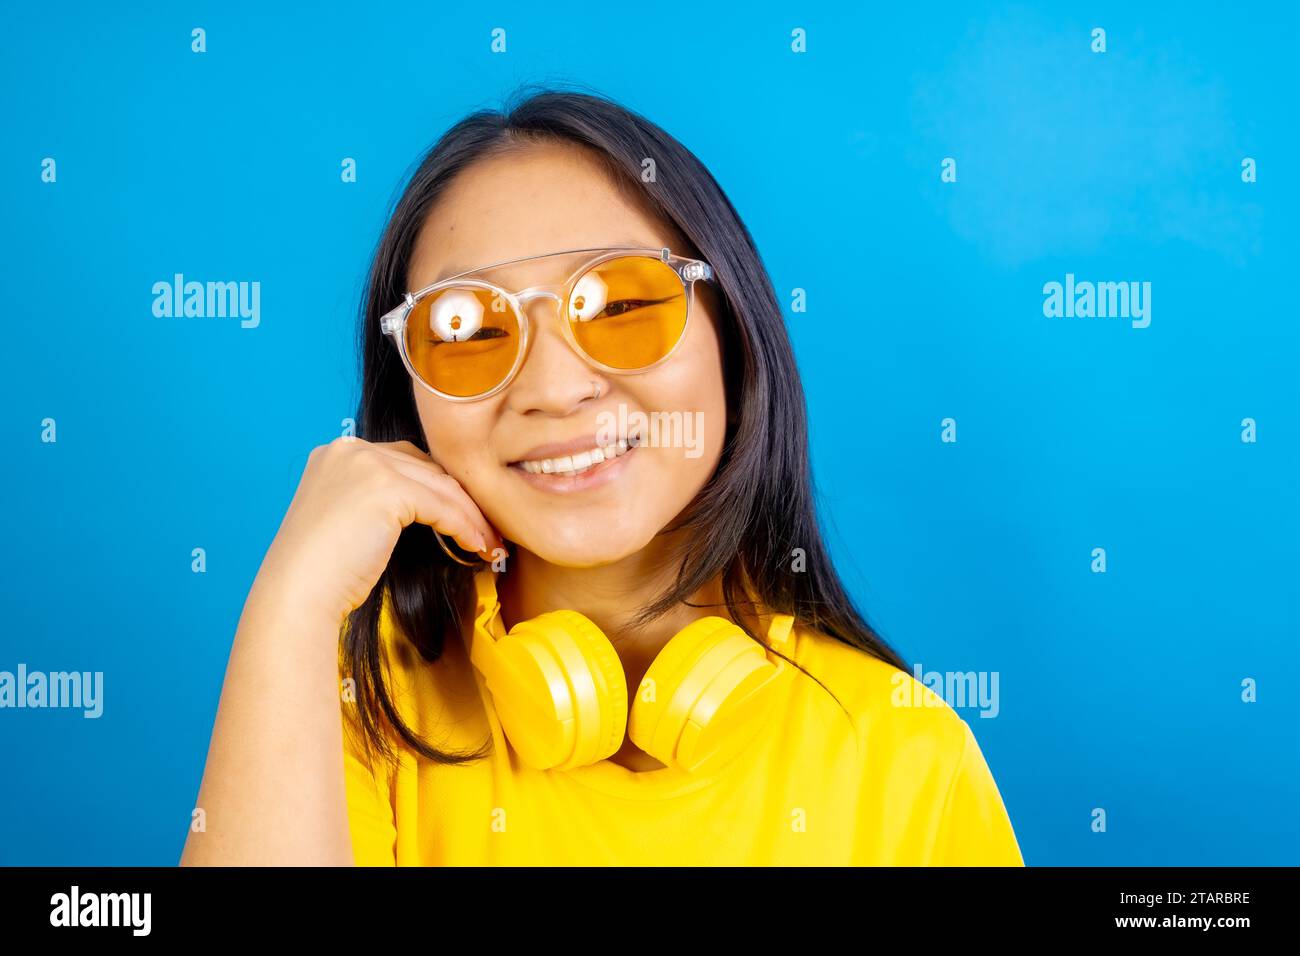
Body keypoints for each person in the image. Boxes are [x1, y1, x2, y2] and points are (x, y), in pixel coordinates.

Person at [181, 85, 1024, 867]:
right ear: (412, 397)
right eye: (469, 329)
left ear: (732, 333)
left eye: (621, 305)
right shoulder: (352, 708)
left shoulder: (909, 756)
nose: (554, 388)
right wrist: (287, 608)